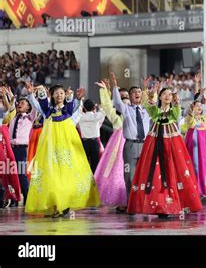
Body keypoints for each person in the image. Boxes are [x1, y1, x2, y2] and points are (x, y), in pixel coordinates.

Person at [25, 85, 100, 217]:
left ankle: (64, 206)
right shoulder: (47, 111)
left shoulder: (69, 111)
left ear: (65, 96)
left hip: (66, 150)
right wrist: (31, 95)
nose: (59, 95)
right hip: (50, 150)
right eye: (56, 93)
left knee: (66, 177)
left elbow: (76, 108)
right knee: (52, 177)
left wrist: (78, 98)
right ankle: (55, 206)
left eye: (61, 93)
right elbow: (37, 106)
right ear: (51, 95)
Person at [128, 85, 202, 217]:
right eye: (165, 94)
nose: (168, 96)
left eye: (170, 94)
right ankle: (160, 203)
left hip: (172, 144)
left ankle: (176, 203)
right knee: (157, 172)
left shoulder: (173, 112)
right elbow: (148, 107)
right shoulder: (156, 112)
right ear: (160, 97)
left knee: (175, 171)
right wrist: (150, 95)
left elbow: (176, 113)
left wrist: (177, 103)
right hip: (156, 143)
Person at [111, 73, 150, 201]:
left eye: (139, 92)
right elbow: (117, 102)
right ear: (130, 96)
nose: (137, 93)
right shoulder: (126, 109)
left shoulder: (147, 110)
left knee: (146, 174)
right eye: (134, 92)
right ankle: (132, 201)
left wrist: (148, 89)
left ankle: (144, 201)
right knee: (130, 175)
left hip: (145, 145)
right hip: (130, 145)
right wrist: (115, 87)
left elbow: (154, 104)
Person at [94, 80, 128, 211]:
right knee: (116, 172)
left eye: (126, 98)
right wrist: (104, 91)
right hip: (117, 147)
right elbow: (107, 105)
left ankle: (131, 198)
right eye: (121, 98)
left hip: (133, 143)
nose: (125, 101)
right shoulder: (114, 116)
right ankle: (120, 200)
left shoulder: (133, 112)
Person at [185, 99, 206, 197]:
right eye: (197, 105)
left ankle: (205, 187)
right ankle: (195, 187)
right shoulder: (189, 117)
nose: (199, 107)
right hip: (194, 147)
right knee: (195, 165)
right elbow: (192, 124)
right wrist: (192, 112)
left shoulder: (204, 118)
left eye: (200, 105)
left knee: (205, 166)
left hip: (205, 146)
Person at [77, 99, 105, 174]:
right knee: (95, 162)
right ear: (94, 107)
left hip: (84, 142)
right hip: (95, 142)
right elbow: (103, 114)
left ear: (84, 108)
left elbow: (76, 119)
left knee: (84, 162)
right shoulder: (97, 116)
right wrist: (100, 108)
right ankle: (94, 180)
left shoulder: (80, 117)